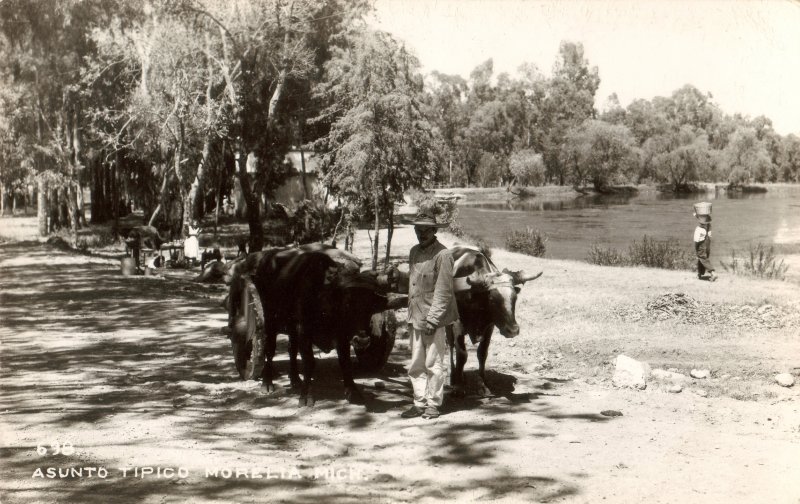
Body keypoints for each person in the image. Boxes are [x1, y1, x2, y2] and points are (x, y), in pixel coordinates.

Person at [402, 212, 460, 420]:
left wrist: (433, 319)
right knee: (416, 363)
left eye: (426, 229)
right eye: (418, 229)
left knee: (433, 363)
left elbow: (443, 291)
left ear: (435, 231)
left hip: (432, 319)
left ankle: (433, 404)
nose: (422, 233)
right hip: (415, 316)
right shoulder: (414, 252)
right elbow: (413, 285)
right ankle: (419, 402)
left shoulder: (443, 255)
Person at [693, 212, 717, 281]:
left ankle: (712, 272)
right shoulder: (709, 226)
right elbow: (709, 236)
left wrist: (696, 248)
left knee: (702, 258)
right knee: (703, 258)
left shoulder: (698, 229)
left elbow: (696, 240)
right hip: (707, 244)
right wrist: (696, 215)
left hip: (701, 244)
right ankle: (700, 274)